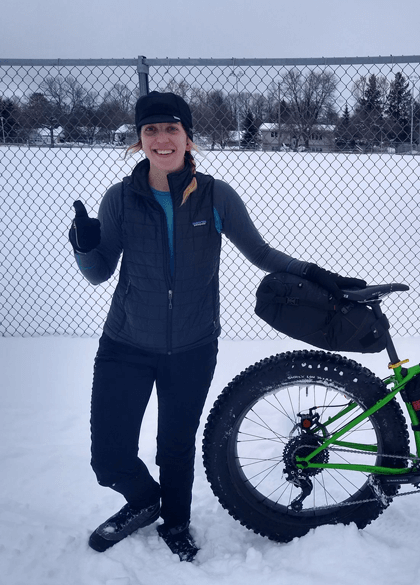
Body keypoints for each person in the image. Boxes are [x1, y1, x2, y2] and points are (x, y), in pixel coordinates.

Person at [68, 91, 365, 562]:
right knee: (108, 456)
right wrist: (86, 246)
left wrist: (316, 274)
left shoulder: (215, 195)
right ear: (139, 140)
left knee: (176, 446)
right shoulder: (121, 199)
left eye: (171, 130)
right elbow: (100, 271)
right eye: (151, 131)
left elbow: (262, 254)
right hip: (125, 343)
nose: (162, 139)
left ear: (188, 138)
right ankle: (144, 501)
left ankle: (176, 520)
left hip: (192, 344)